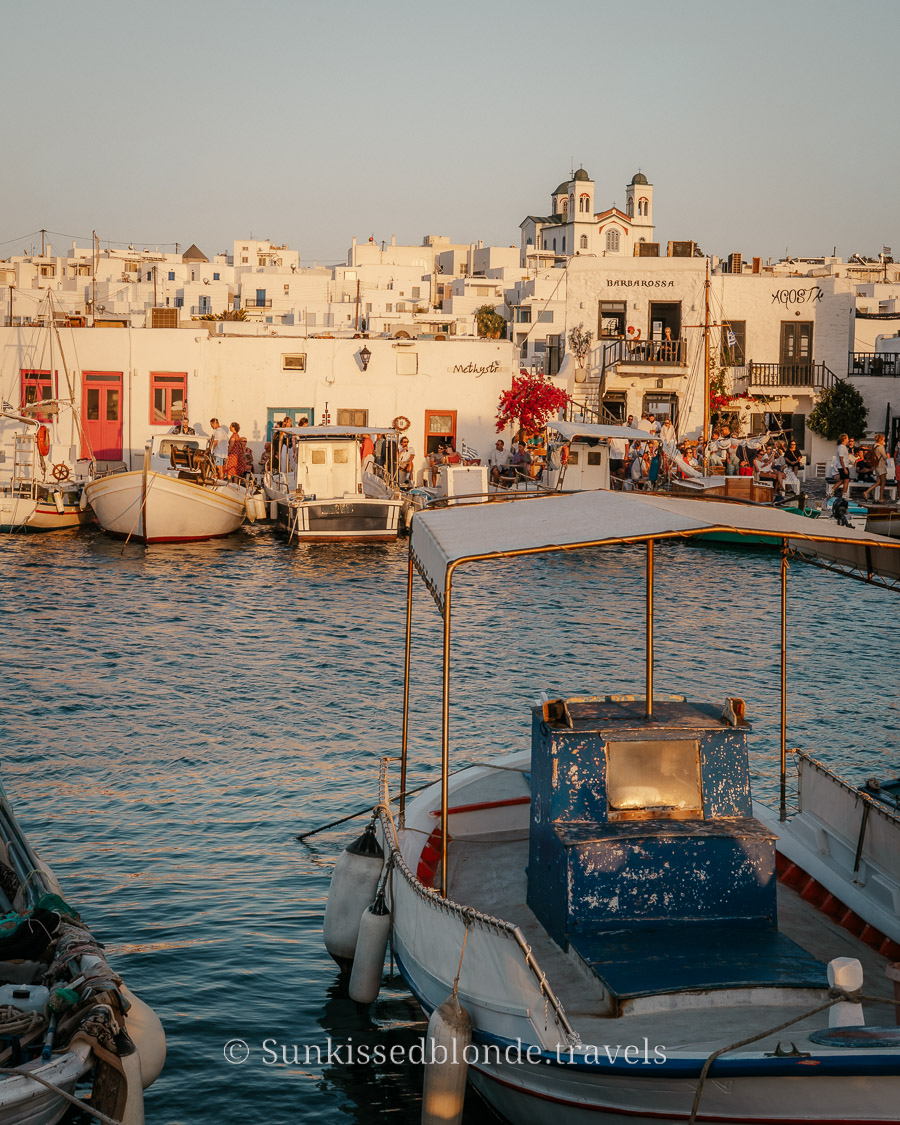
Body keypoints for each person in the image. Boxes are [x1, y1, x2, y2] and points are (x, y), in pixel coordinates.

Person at [863, 434, 888, 500]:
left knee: (878, 482)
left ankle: (866, 492)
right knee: (883, 482)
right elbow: (885, 457)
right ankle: (881, 498)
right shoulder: (880, 447)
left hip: (876, 466)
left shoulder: (875, 446)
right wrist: (887, 455)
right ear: (881, 439)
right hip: (881, 466)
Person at [831, 433, 851, 499]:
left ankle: (832, 490)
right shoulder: (841, 447)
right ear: (844, 439)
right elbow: (841, 458)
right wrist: (844, 468)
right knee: (846, 480)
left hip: (843, 466)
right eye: (847, 438)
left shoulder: (843, 447)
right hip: (843, 466)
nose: (848, 440)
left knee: (842, 480)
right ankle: (844, 495)